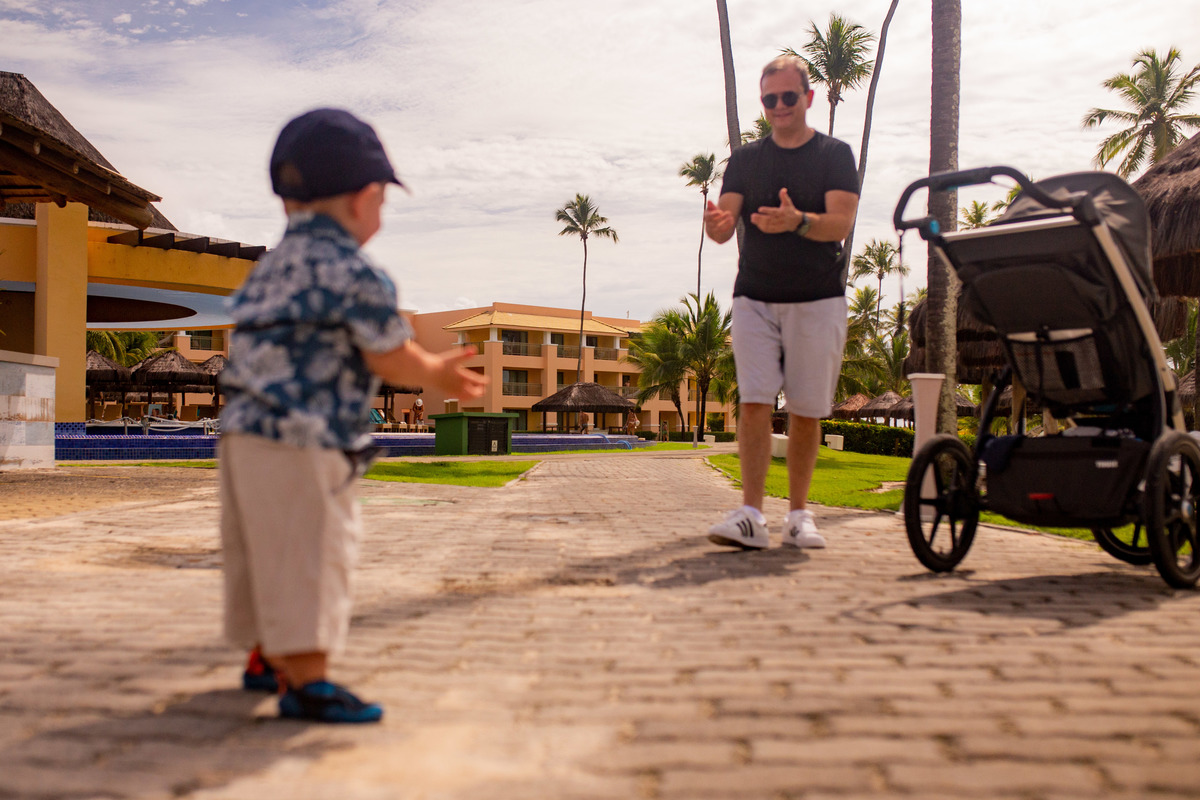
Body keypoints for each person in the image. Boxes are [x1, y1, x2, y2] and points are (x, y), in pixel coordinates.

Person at [219, 108, 487, 723]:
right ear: (367, 198)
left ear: (287, 201)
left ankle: (265, 655)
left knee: (258, 550)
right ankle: (308, 681)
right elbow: (390, 357)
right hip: (306, 439)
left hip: (242, 437)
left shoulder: (267, 268)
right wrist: (439, 373)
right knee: (311, 550)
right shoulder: (358, 273)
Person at [702, 55, 860, 551]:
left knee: (806, 412)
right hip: (755, 297)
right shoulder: (745, 161)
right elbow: (725, 225)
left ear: (807, 98)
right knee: (752, 402)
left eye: (788, 97)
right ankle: (750, 515)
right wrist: (717, 226)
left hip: (818, 298)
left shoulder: (835, 155)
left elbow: (841, 224)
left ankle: (797, 516)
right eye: (769, 99)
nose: (779, 107)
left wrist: (799, 222)